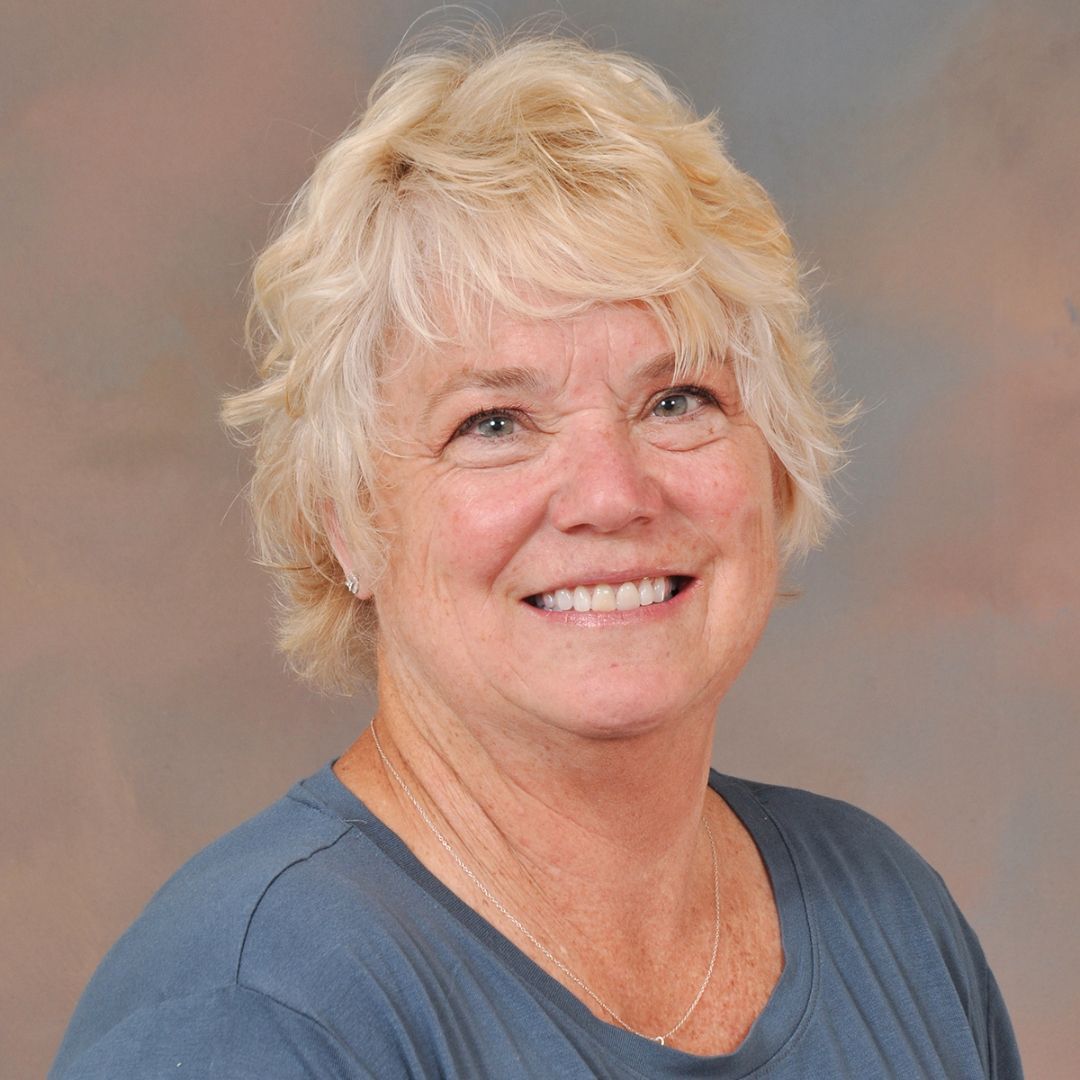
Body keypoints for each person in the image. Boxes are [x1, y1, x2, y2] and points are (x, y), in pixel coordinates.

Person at [50, 31, 1022, 1079]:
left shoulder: (895, 925)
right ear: (346, 519)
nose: (611, 494)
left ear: (775, 464)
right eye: (495, 423)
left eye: (676, 400)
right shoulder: (251, 1016)